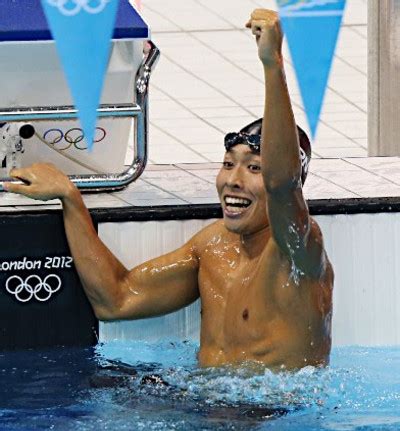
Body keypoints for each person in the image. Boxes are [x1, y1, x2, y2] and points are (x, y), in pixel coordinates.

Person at [4, 9, 333, 371]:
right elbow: (116, 299)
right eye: (228, 164)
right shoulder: (213, 247)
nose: (233, 181)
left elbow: (282, 185)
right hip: (207, 407)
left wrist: (272, 64)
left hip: (273, 419)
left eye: (254, 168)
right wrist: (70, 197)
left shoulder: (298, 250)